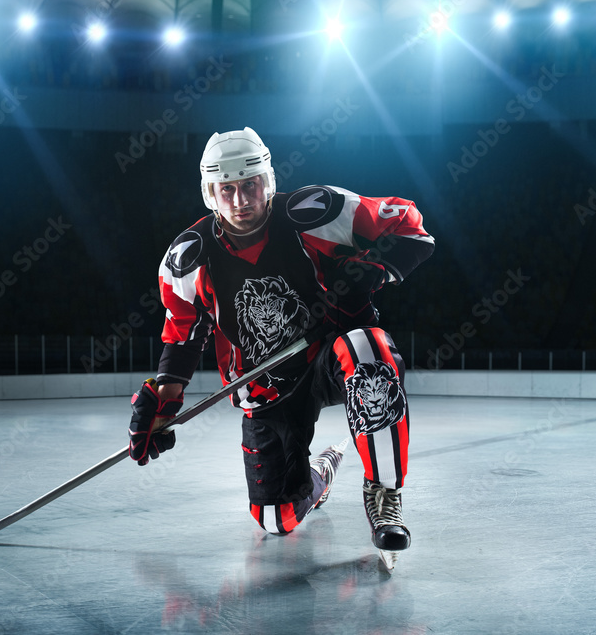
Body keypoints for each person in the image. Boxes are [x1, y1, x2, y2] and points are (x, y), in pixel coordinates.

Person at [128, 127, 435, 566]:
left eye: (249, 185)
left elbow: (411, 226)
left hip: (328, 357)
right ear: (209, 193)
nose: (240, 201)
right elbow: (182, 331)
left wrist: (374, 271)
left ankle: (384, 493)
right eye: (227, 189)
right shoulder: (189, 258)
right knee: (275, 520)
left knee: (369, 348)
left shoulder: (313, 212)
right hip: (266, 390)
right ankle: (323, 471)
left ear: (267, 182)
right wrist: (162, 402)